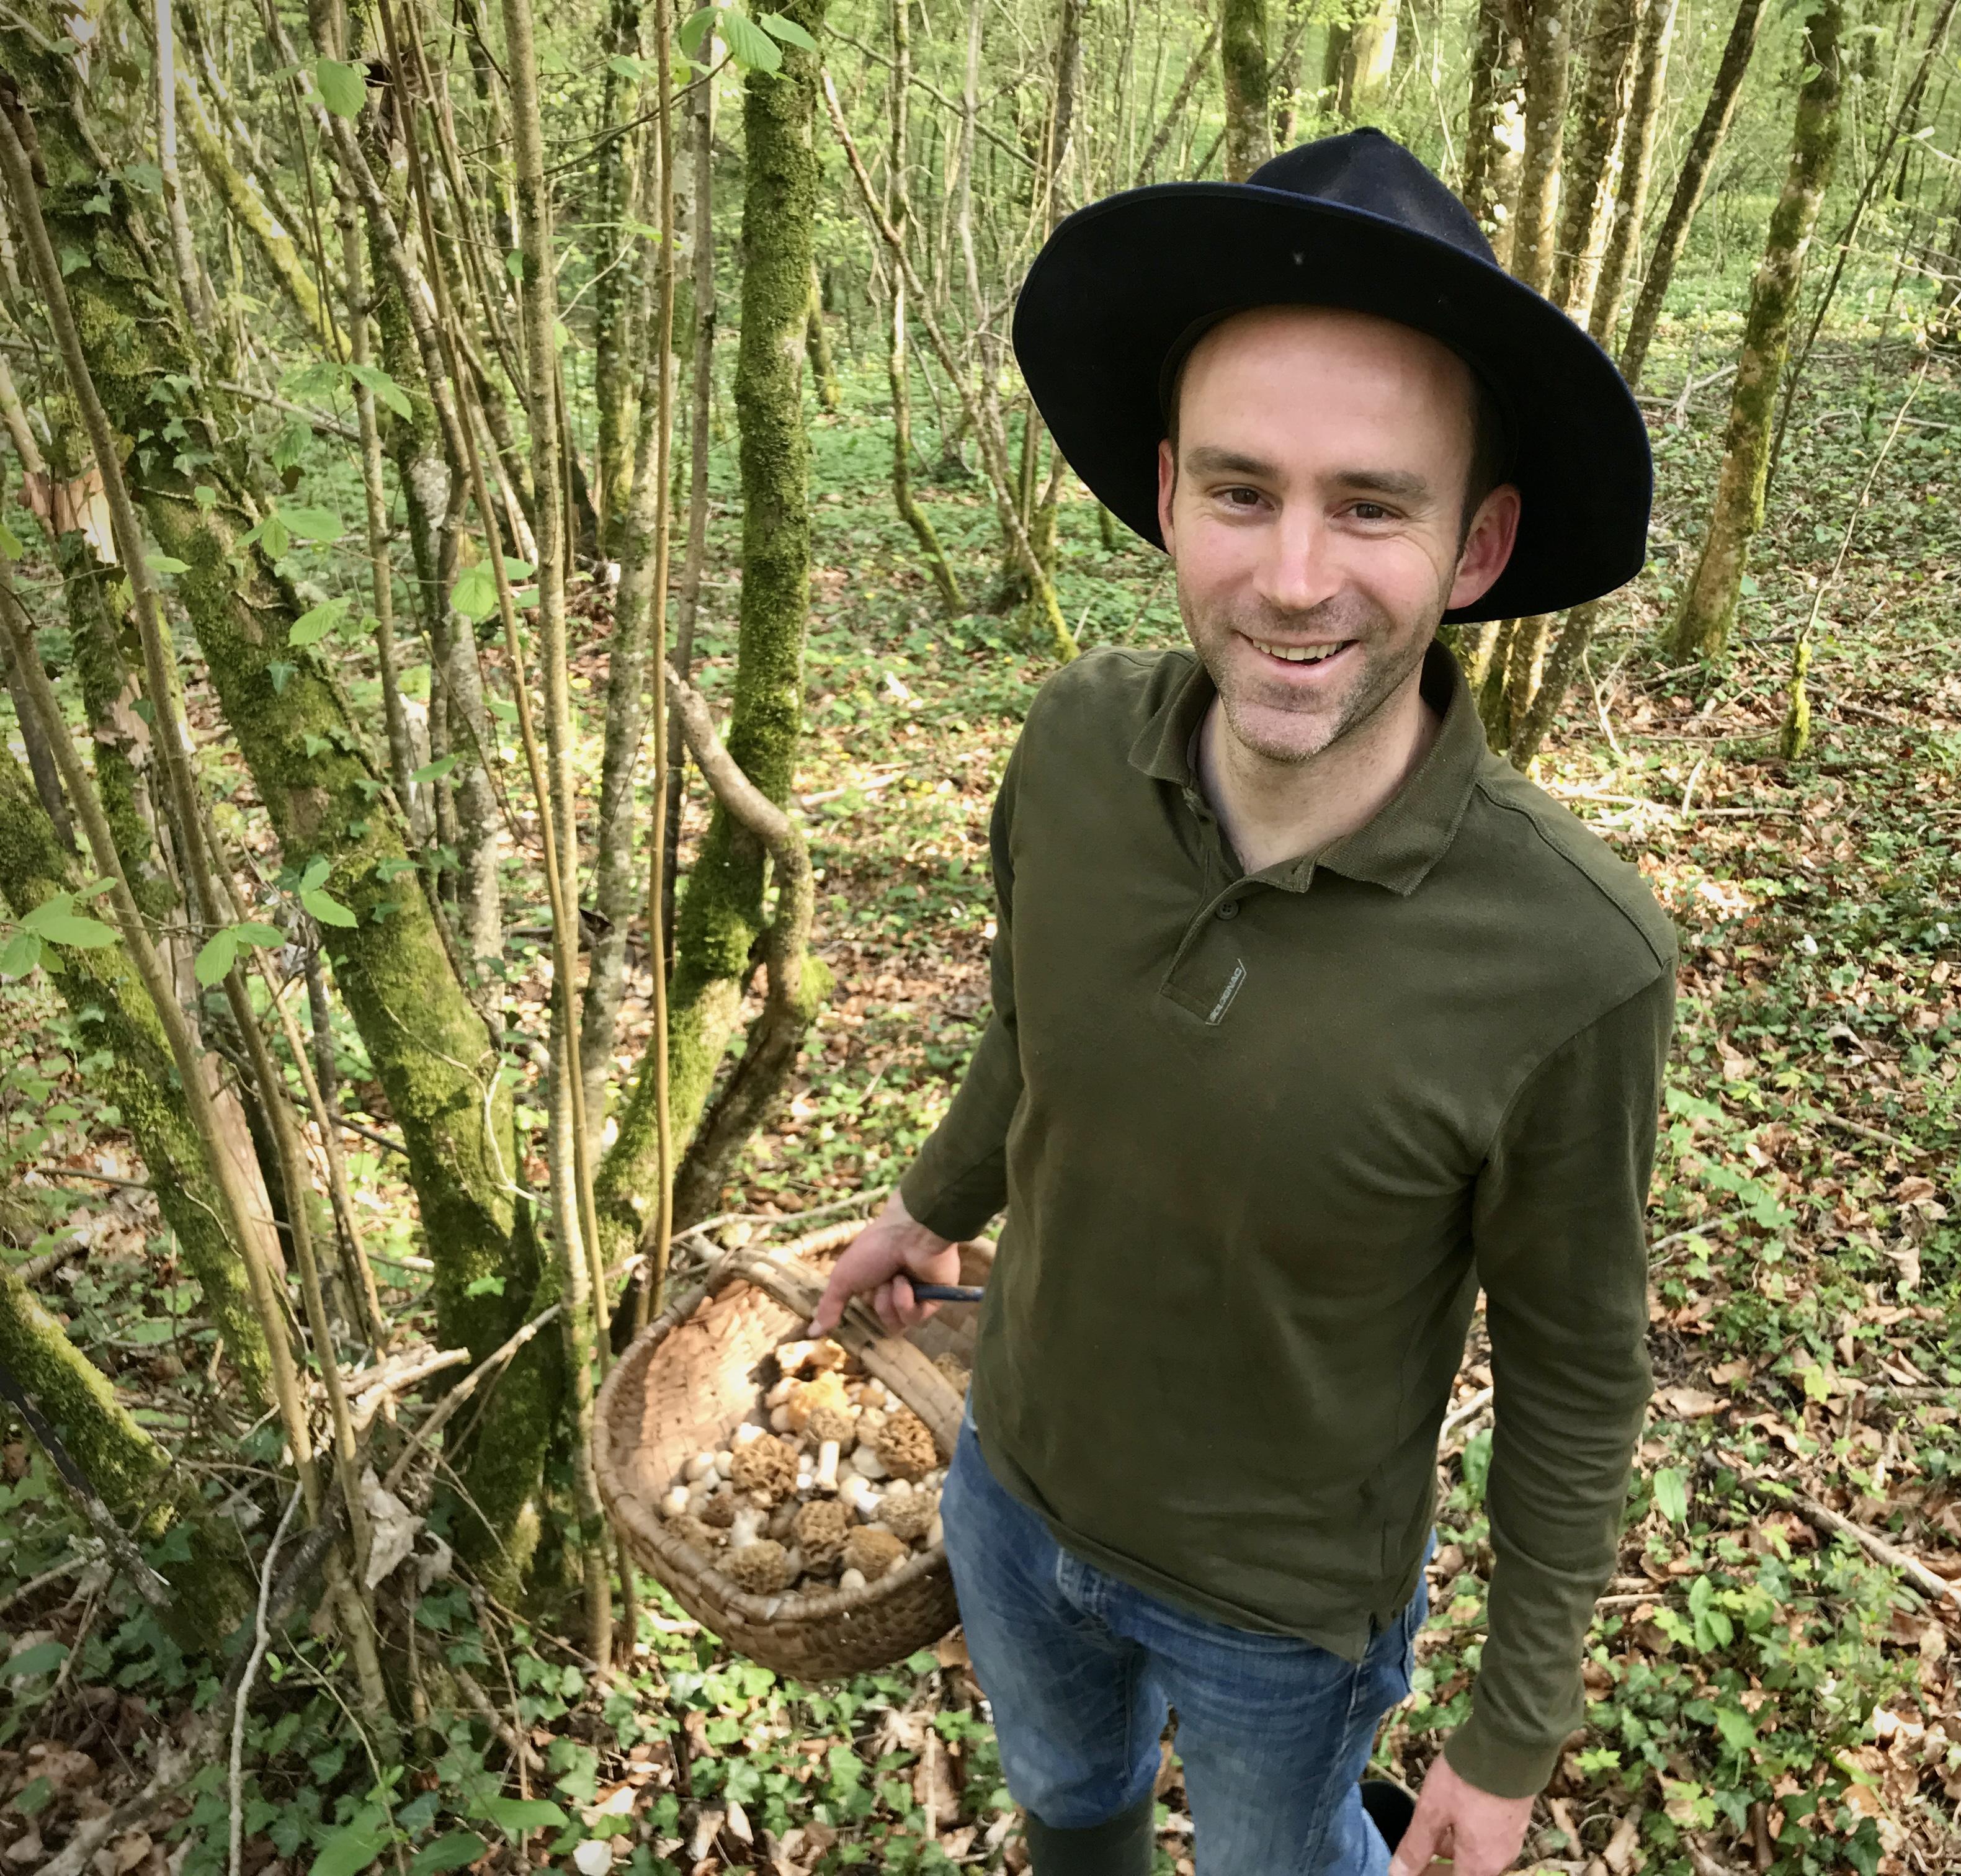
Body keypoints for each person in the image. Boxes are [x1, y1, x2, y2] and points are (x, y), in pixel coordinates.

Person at [811, 128, 1674, 1876]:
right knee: (1068, 1803)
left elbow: (1580, 1377)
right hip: (1011, 1483)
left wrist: (1508, 1742)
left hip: (1286, 1614)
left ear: (1480, 543)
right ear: (1165, 490)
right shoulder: (1068, 754)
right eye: (1239, 489)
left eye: (1371, 504)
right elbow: (1033, 1026)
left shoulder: (1574, 958)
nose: (1292, 579)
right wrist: (928, 1204)